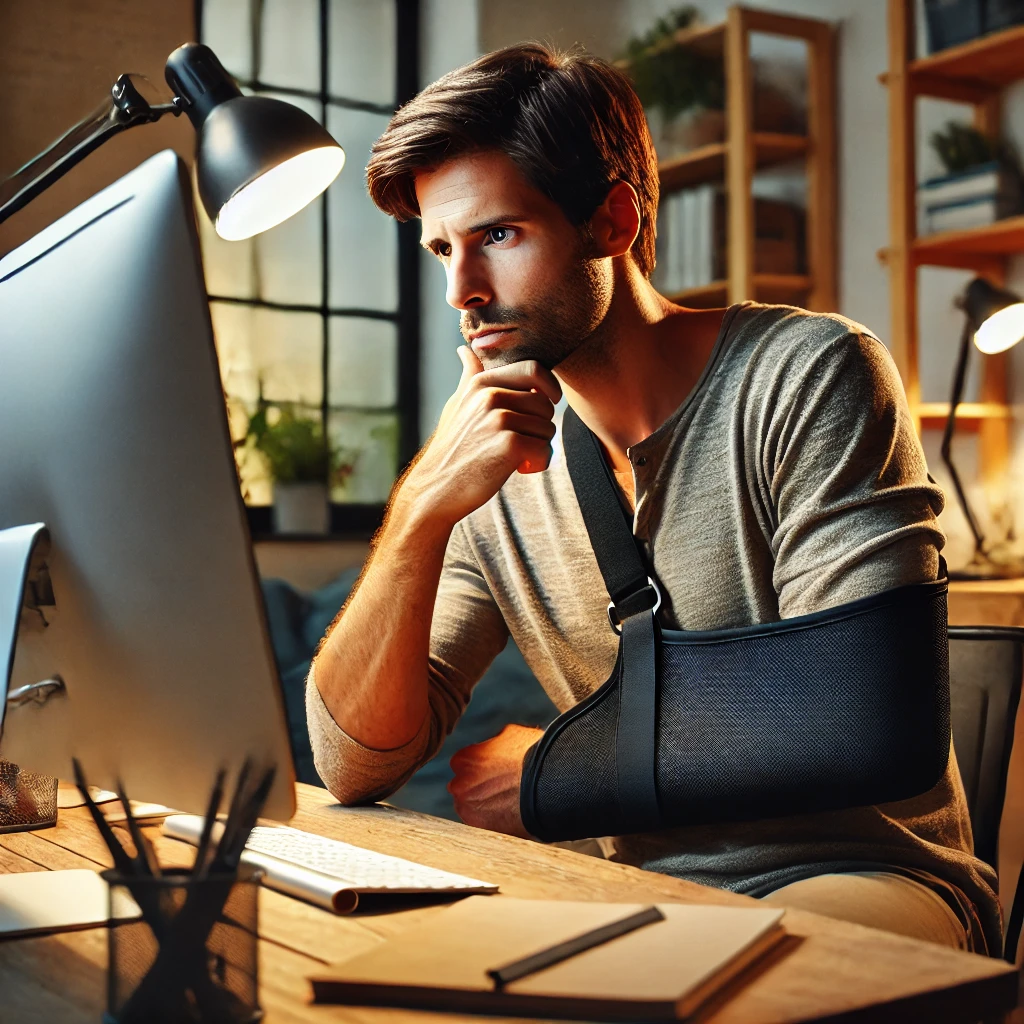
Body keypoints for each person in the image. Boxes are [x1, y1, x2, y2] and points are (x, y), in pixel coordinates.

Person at [306, 44, 1000, 954]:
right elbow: (355, 765)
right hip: (624, 889)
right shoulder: (485, 451)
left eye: (499, 236)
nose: (462, 292)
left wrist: (556, 777)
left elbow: (867, 729)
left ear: (615, 221)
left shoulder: (810, 375)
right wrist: (420, 515)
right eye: (443, 248)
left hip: (867, 882)